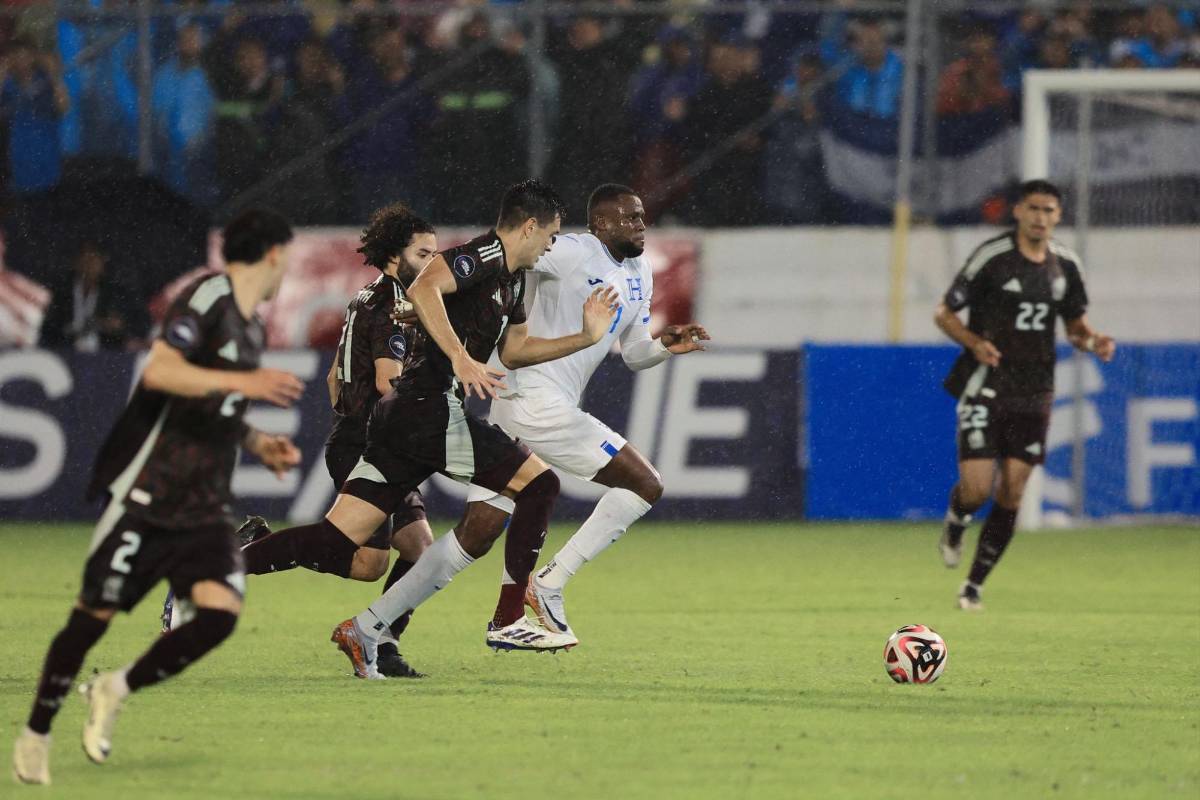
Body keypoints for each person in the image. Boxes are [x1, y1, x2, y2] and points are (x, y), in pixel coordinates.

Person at [238, 180, 619, 677]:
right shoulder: (481, 255)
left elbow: (515, 351)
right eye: (548, 234)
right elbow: (423, 287)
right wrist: (459, 357)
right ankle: (507, 617)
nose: (551, 245)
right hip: (427, 408)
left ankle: (224, 570)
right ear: (528, 226)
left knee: (338, 543)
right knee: (539, 484)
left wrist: (585, 337)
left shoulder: (516, 278)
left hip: (401, 420)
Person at [12, 209, 304, 785]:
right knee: (91, 617)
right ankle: (36, 733)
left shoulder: (251, 325)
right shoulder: (208, 299)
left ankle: (114, 688)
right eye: (286, 256)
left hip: (205, 503)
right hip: (150, 491)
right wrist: (244, 384)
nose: (287, 267)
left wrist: (256, 440)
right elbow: (161, 372)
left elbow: (211, 402)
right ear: (272, 253)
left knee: (219, 614)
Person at [165, 203, 437, 678]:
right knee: (366, 562)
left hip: (370, 440)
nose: (433, 262)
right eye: (424, 252)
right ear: (397, 256)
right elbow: (387, 383)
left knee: (418, 549)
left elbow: (334, 377)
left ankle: (382, 642)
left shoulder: (366, 297)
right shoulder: (395, 308)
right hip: (370, 446)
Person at [483, 183, 709, 642]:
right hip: (532, 395)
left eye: (642, 217)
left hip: (530, 401)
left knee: (478, 528)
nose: (641, 225)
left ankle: (381, 624)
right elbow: (506, 255)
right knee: (645, 483)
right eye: (630, 218)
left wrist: (664, 346)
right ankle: (549, 583)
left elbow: (634, 354)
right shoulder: (569, 251)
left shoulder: (641, 271)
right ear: (601, 224)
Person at [934, 180, 1115, 611]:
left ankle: (974, 585)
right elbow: (944, 312)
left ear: (1058, 216)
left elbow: (1074, 327)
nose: (1041, 218)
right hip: (986, 383)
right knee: (977, 490)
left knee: (1014, 489)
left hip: (1035, 391)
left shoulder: (1066, 266)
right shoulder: (993, 257)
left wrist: (1094, 342)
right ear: (1017, 211)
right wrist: (974, 342)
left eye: (1049, 210)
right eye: (1033, 208)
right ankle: (956, 522)